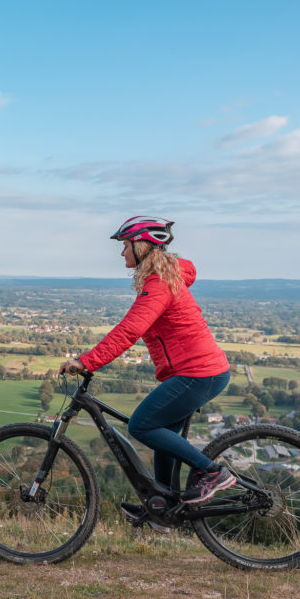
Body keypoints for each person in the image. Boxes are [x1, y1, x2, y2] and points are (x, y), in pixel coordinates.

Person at [58, 216, 233, 528]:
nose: (122, 252)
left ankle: (212, 472)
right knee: (161, 434)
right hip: (198, 373)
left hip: (198, 373)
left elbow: (129, 331)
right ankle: (163, 507)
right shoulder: (163, 279)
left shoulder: (159, 284)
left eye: (125, 245)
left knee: (141, 426)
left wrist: (87, 361)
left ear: (141, 246)